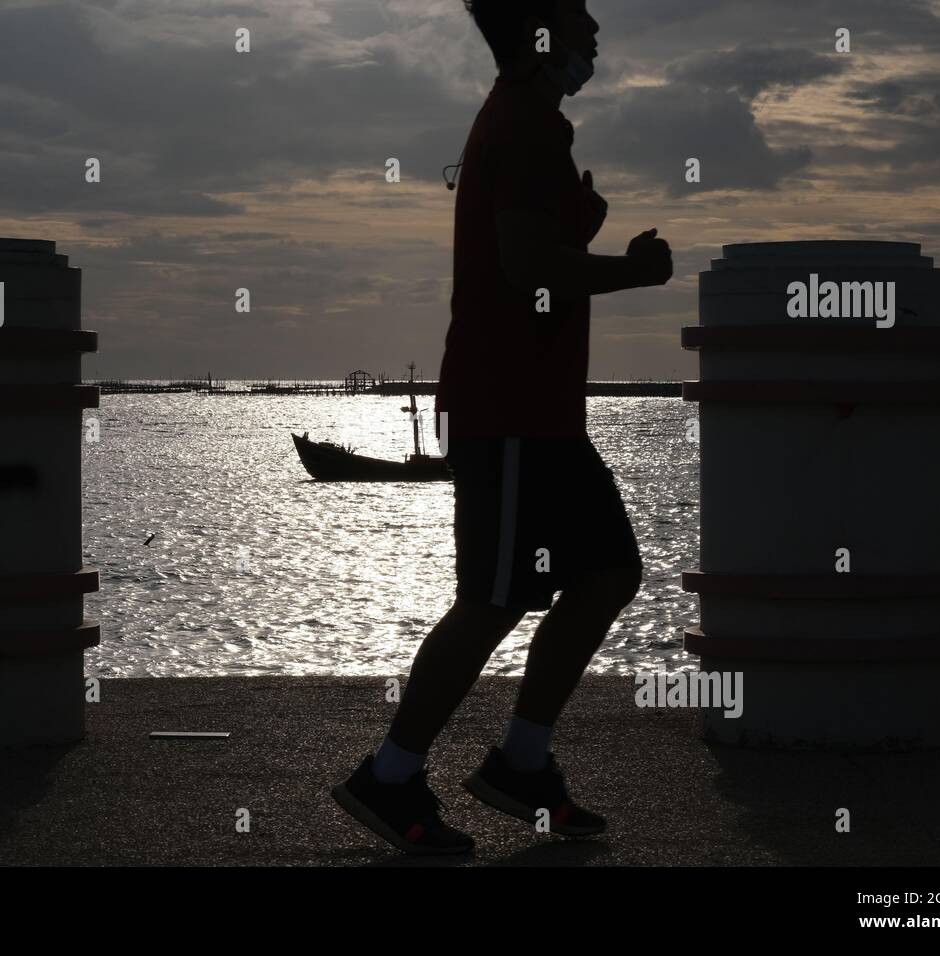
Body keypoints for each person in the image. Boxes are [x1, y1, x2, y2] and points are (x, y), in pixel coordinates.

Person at [331, 0, 672, 855]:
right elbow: (525, 271)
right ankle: (392, 775)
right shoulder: (525, 124)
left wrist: (576, 231)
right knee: (491, 601)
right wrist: (629, 271)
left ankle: (521, 762)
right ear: (541, 31)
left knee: (607, 573)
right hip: (511, 409)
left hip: (542, 414)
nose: (594, 30)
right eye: (579, 15)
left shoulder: (527, 123)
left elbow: (525, 252)